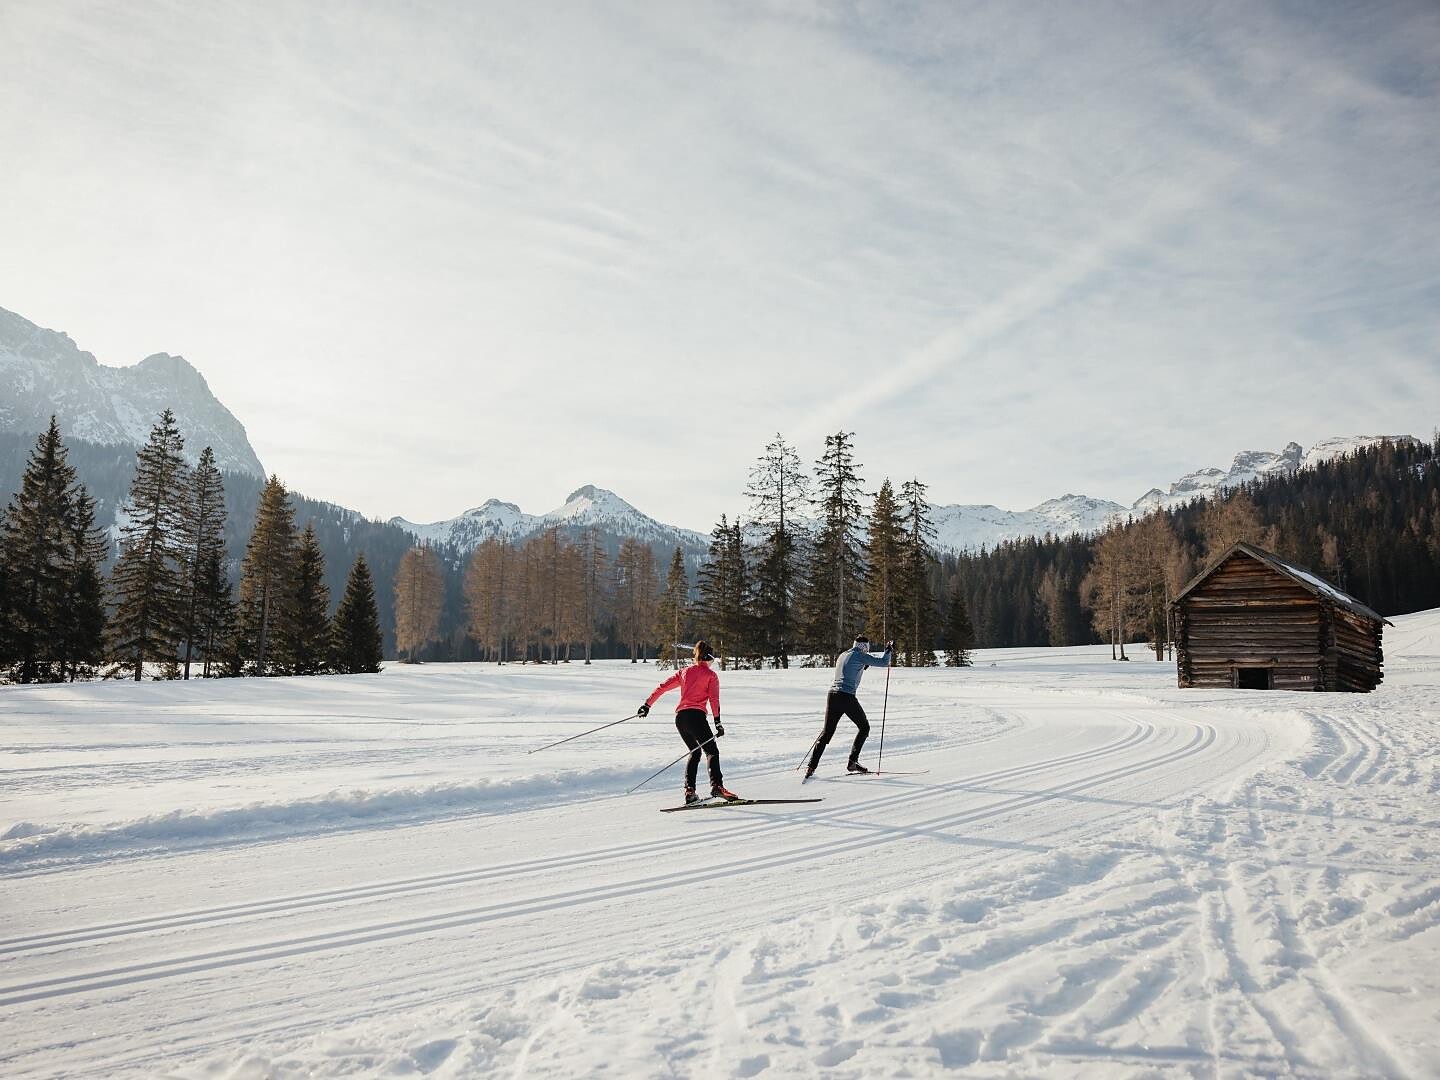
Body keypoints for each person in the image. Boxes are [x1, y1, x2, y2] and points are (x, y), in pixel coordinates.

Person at [639, 640, 738, 804]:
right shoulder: (711, 675)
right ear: (708, 658)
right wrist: (718, 723)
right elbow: (714, 699)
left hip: (680, 719)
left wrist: (647, 705)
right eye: (712, 660)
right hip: (696, 717)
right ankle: (717, 786)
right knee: (712, 751)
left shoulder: (684, 672)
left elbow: (663, 687)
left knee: (695, 752)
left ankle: (689, 791)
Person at [805, 633, 893, 779]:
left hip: (832, 695)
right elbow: (884, 662)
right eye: (867, 648)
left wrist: (863, 666)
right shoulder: (860, 655)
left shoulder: (844, 655)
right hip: (847, 697)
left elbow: (849, 668)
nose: (867, 651)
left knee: (827, 733)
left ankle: (811, 767)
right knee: (864, 728)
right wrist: (888, 649)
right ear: (864, 647)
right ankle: (852, 761)